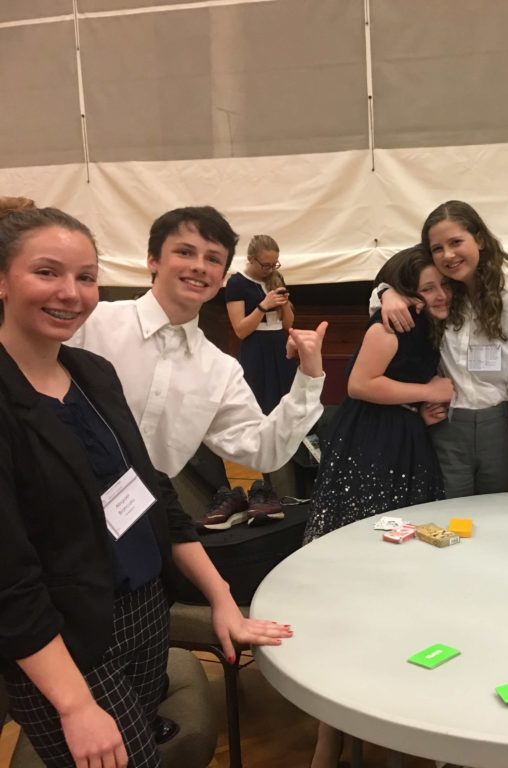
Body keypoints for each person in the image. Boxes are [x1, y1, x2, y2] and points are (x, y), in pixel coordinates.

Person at [0, 201, 292, 768]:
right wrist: (74, 704)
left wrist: (222, 599)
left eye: (85, 277)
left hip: (142, 606)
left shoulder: (90, 374)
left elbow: (150, 492)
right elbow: (9, 579)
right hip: (67, 633)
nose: (70, 292)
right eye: (46, 272)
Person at [304, 246, 451, 768]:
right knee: (361, 578)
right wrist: (428, 389)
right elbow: (361, 384)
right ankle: (331, 734)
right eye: (426, 287)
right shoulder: (388, 323)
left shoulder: (424, 322)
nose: (437, 295)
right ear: (406, 290)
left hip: (406, 442)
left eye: (442, 286)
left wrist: (417, 406)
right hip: (372, 450)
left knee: (402, 578)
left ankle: (385, 715)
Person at [68, 206, 327, 480]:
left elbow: (262, 449)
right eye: (185, 252)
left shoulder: (220, 371)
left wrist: (309, 378)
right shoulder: (92, 324)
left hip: (147, 512)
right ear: (153, 260)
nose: (200, 267)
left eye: (214, 259)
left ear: (222, 277)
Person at [376, 201, 508, 499]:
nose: (448, 255)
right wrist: (386, 292)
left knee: (500, 515)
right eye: (437, 248)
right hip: (445, 424)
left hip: (499, 425)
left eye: (456, 242)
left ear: (480, 239)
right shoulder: (439, 289)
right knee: (447, 517)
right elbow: (387, 295)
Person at [225, 234, 298, 414]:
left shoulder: (276, 278)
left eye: (274, 264)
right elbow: (240, 331)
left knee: (286, 397)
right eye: (266, 265)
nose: (270, 269)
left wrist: (285, 304)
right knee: (259, 400)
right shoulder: (237, 283)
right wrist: (263, 306)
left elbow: (288, 324)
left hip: (280, 345)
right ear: (250, 259)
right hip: (256, 348)